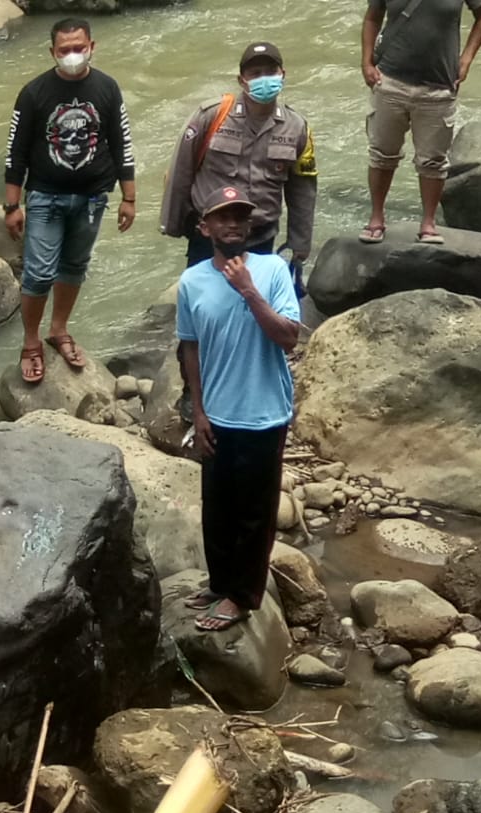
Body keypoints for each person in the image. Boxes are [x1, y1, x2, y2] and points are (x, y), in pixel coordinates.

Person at [176, 188, 300, 633]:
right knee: (218, 507)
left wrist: (248, 291)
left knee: (255, 511)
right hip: (218, 412)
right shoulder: (192, 281)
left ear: (249, 227)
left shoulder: (271, 270)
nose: (233, 224)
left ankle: (243, 596)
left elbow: (288, 337)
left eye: (240, 218)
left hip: (264, 412)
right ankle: (221, 582)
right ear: (204, 228)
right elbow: (190, 347)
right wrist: (199, 411)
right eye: (223, 218)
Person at [3, 17, 137, 385]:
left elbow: (122, 142)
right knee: (39, 272)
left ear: (92, 46)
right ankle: (31, 342)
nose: (73, 55)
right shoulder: (34, 93)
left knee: (75, 265)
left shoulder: (107, 88)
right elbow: (16, 152)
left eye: (79, 48)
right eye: (65, 50)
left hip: (94, 195)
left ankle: (58, 330)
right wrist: (12, 206)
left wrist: (129, 196)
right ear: (53, 52)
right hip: (46, 195)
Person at [161, 41, 317, 270]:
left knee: (253, 300)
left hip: (261, 236)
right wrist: (173, 224)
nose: (264, 79)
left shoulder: (297, 127)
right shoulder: (212, 116)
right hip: (211, 236)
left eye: (271, 72)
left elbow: (302, 190)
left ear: (282, 75)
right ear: (241, 80)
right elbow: (180, 170)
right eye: (255, 73)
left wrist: (300, 242)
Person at [359, 0, 481, 245]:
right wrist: (366, 61)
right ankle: (376, 218)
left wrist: (466, 59)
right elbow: (372, 17)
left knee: (433, 160)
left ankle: (428, 224)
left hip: (439, 85)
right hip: (389, 80)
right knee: (381, 154)